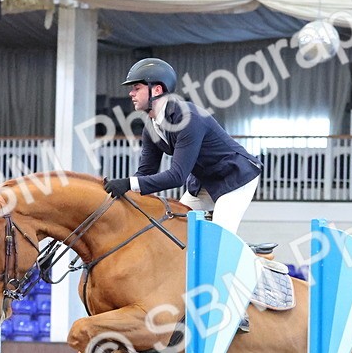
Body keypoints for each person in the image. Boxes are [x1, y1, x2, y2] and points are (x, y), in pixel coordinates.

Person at [103, 58, 262, 235]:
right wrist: (122, 191)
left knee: (220, 238)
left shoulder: (188, 118)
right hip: (204, 182)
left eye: (136, 88)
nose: (131, 93)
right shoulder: (151, 127)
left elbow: (177, 177)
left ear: (157, 89)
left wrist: (129, 183)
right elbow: (146, 171)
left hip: (235, 177)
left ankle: (258, 262)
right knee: (175, 228)